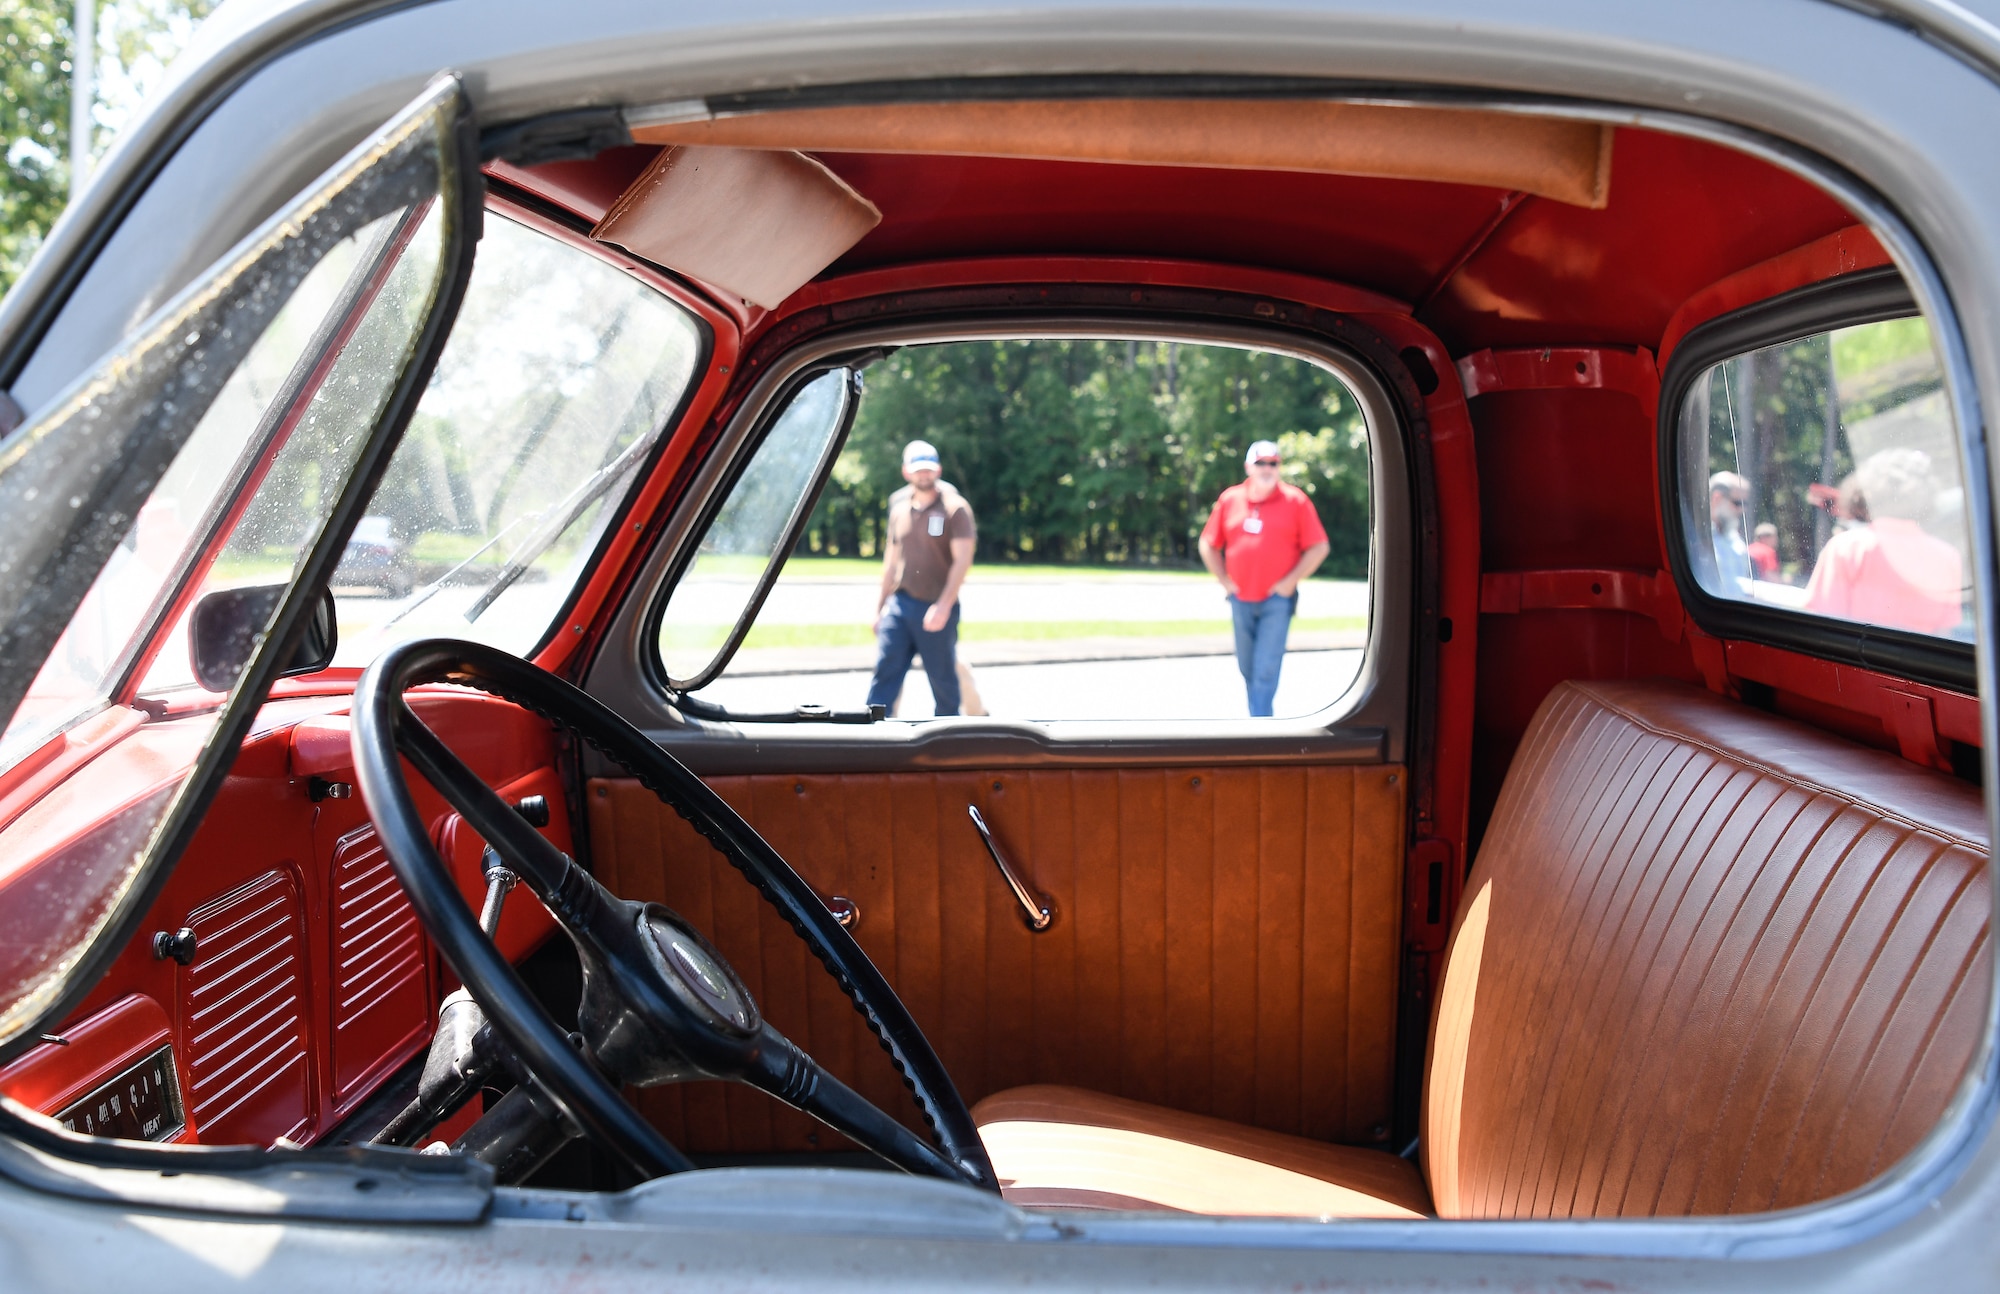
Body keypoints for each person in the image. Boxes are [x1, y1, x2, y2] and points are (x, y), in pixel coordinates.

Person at [1198, 440, 1330, 717]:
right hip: (1240, 599)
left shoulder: (1296, 501)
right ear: (1249, 467)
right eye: (1261, 463)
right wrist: (1224, 580)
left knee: (1266, 668)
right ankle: (1257, 720)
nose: (1267, 468)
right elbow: (1208, 544)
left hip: (1276, 601)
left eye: (1273, 463)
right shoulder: (1230, 499)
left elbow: (1319, 547)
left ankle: (1261, 727)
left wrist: (1290, 582)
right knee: (1247, 667)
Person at [867, 439, 976, 716]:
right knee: (885, 674)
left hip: (936, 607)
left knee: (943, 682)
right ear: (907, 472)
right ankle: (874, 738)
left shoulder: (955, 508)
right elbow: (890, 562)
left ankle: (949, 742)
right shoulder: (899, 509)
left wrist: (943, 605)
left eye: (928, 469)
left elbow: (963, 561)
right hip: (900, 605)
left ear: (938, 470)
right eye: (918, 469)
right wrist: (879, 608)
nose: (923, 474)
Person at [1804, 448, 1964, 634]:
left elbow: (1823, 626)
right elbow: (1944, 635)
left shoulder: (1846, 548)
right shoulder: (1948, 557)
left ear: (1867, 492)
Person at [1708, 470, 1751, 592]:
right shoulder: (1697, 537)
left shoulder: (1735, 540)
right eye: (1738, 503)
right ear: (1717, 498)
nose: (1742, 510)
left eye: (1745, 504)